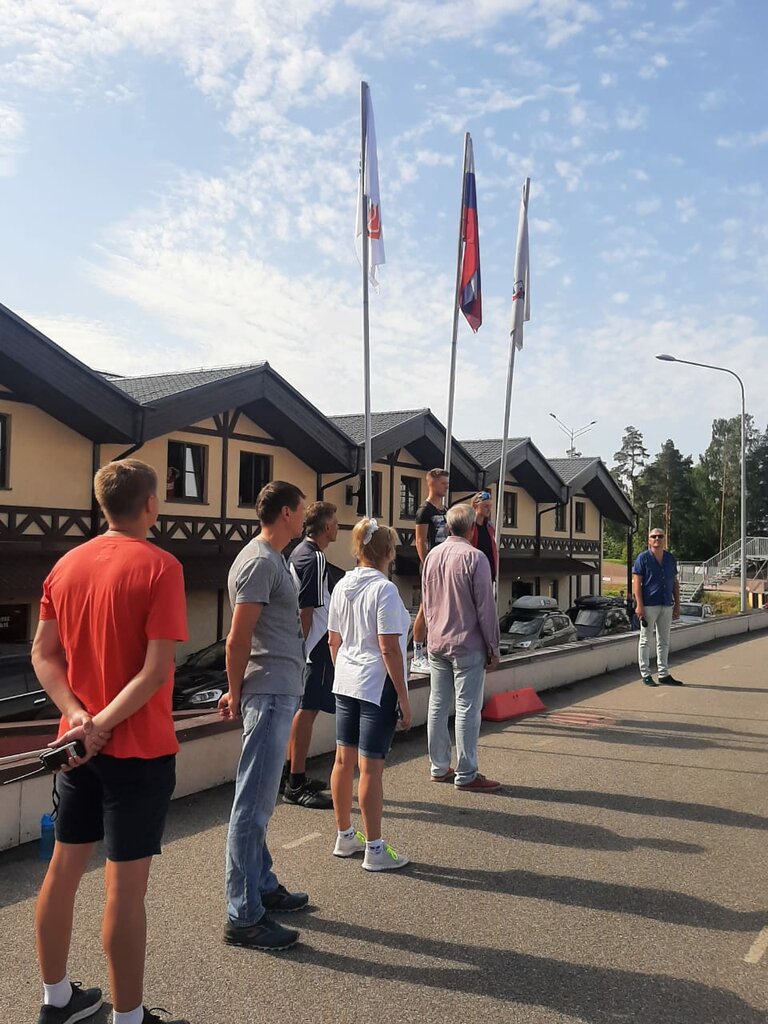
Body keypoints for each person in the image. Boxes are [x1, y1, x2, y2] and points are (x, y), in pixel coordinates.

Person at [31, 458, 189, 1024]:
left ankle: (56, 1000)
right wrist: (102, 724)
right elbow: (154, 672)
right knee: (124, 889)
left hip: (77, 749)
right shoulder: (161, 566)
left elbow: (43, 654)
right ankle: (129, 1016)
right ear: (150, 504)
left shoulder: (65, 566)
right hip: (139, 750)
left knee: (62, 871)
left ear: (103, 505)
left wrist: (79, 717)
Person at [219, 481, 310, 952]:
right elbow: (238, 638)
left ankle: (262, 884)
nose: (305, 517)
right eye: (301, 510)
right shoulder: (259, 561)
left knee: (259, 800)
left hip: (276, 689)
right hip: (268, 692)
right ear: (286, 513)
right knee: (252, 805)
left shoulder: (271, 559)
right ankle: (243, 915)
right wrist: (235, 692)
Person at [327, 518, 412, 871]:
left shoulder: (341, 585)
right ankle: (375, 849)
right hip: (376, 684)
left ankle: (345, 835)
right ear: (387, 552)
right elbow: (388, 647)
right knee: (371, 769)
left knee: (342, 761)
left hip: (346, 680)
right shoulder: (385, 590)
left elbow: (333, 640)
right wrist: (404, 698)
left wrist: (344, 669)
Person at [422, 503, 501, 791]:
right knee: (467, 708)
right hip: (467, 644)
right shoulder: (476, 558)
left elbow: (426, 600)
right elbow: (486, 608)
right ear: (470, 529)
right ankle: (467, 773)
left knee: (437, 704)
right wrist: (493, 646)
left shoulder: (432, 556)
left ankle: (439, 766)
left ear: (448, 527)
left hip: (437, 642)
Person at [283, 500, 339, 809]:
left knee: (304, 710)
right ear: (326, 526)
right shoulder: (315, 556)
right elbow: (308, 609)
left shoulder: (298, 551)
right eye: (335, 522)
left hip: (308, 645)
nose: (338, 527)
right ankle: (295, 783)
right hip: (315, 645)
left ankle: (292, 773)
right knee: (308, 710)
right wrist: (302, 648)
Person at [411, 468, 450, 672]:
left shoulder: (445, 511)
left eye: (447, 483)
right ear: (432, 483)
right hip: (431, 566)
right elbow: (420, 540)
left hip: (446, 564)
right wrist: (427, 564)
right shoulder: (424, 510)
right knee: (425, 608)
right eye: (443, 483)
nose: (446, 487)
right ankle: (417, 654)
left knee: (441, 608)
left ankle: (436, 648)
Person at [632, 528, 682, 686]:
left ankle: (663, 673)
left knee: (664, 641)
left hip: (666, 604)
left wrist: (677, 604)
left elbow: (674, 582)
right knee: (645, 640)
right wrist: (639, 605)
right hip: (648, 605)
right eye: (653, 536)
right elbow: (637, 584)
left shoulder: (670, 559)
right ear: (649, 540)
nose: (657, 539)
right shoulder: (643, 558)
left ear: (664, 540)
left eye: (660, 536)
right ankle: (646, 674)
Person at [470, 490, 498, 583]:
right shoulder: (469, 526)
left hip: (489, 571)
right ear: (475, 506)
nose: (489, 509)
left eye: (490, 506)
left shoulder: (490, 527)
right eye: (485, 506)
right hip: (474, 571)